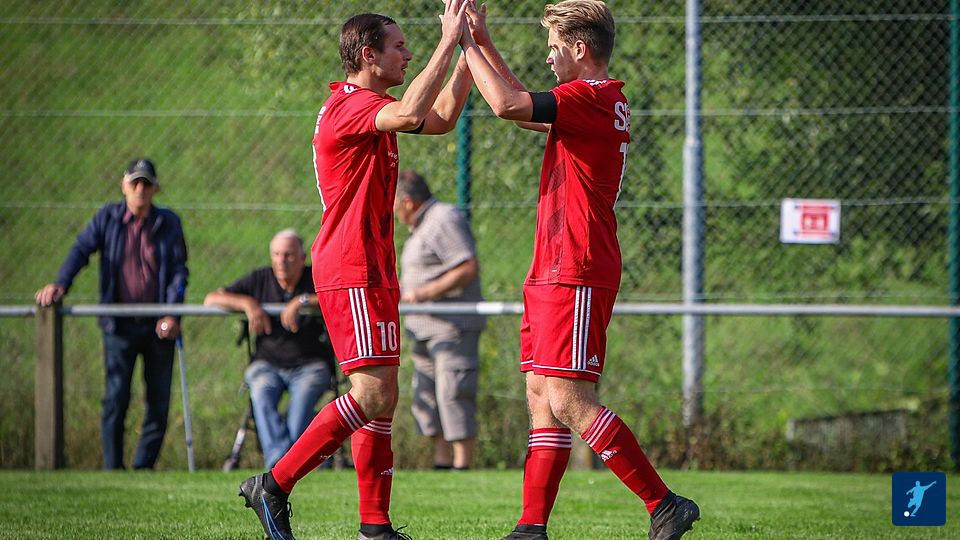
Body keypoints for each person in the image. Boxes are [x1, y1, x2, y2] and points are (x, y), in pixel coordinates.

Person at [458, 2, 701, 539]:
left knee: (569, 399)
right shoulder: (588, 100)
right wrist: (483, 42)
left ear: (579, 48)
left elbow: (506, 105)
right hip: (554, 265)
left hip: (577, 265)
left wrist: (464, 43)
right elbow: (523, 106)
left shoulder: (592, 95)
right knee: (541, 396)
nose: (548, 58)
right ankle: (531, 528)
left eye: (553, 48)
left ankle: (664, 504)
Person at [238, 3, 474, 539]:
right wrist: (447, 41)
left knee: (382, 397)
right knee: (370, 395)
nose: (407, 54)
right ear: (368, 55)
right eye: (399, 46)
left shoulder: (374, 106)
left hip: (374, 267)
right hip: (351, 267)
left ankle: (375, 527)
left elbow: (438, 118)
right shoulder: (348, 106)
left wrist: (467, 51)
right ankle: (273, 484)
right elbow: (413, 115)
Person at [35, 158, 188, 470]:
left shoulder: (168, 222)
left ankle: (143, 468)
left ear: (156, 188)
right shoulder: (107, 218)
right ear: (124, 185)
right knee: (116, 397)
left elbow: (178, 272)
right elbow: (82, 249)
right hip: (119, 326)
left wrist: (172, 314)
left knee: (158, 401)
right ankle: (112, 469)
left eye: (147, 184)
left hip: (158, 326)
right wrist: (61, 283)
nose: (141, 189)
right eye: (135, 183)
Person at [204, 229, 336, 469]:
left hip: (310, 366)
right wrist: (248, 304)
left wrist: (302, 301)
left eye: (288, 255)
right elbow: (212, 299)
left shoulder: (315, 278)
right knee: (261, 392)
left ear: (302, 258)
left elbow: (340, 297)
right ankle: (281, 465)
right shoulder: (260, 278)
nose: (281, 261)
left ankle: (287, 466)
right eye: (276, 254)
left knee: (299, 414)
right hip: (267, 365)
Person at [394, 170, 486, 470]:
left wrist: (424, 293)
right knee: (428, 398)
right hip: (423, 328)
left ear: (408, 202)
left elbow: (467, 266)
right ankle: (442, 464)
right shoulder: (420, 227)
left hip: (452, 327)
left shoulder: (443, 218)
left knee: (454, 393)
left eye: (394, 203)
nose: (392, 211)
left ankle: (462, 465)